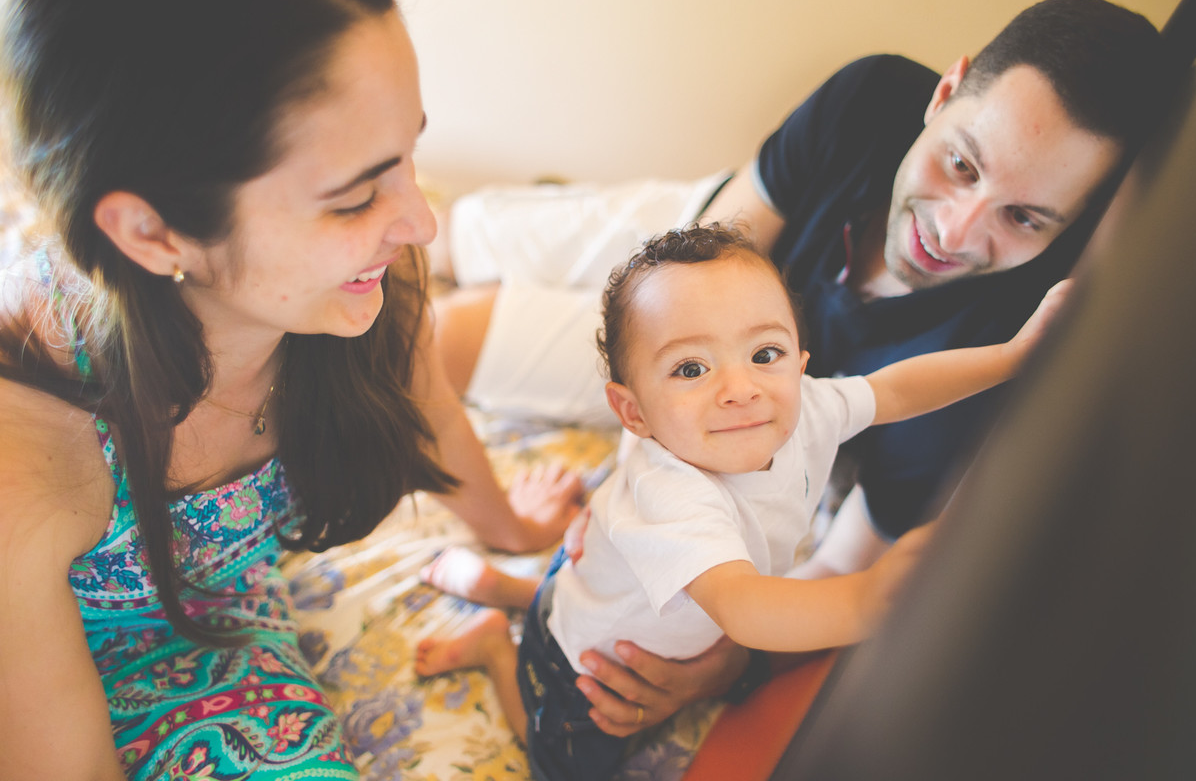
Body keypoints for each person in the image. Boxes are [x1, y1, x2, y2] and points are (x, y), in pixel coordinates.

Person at [426, 0, 1175, 735]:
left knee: (450, 331)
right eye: (960, 163)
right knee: (447, 264)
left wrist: (722, 666)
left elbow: (844, 566)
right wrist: (621, 489)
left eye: (1024, 217)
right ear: (943, 94)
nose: (953, 230)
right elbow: (699, 267)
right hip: (693, 275)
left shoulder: (976, 373)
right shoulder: (871, 97)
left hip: (721, 359)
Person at [0, 0, 582, 780]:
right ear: (152, 232)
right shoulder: (25, 446)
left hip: (215, 623)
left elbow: (430, 410)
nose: (421, 223)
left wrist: (513, 529)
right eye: (354, 198)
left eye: (410, 155)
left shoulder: (365, 292)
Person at [415, 223, 1070, 780]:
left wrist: (1013, 358)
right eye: (692, 369)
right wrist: (870, 599)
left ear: (799, 358)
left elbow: (894, 390)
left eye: (764, 352)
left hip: (606, 581)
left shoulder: (802, 403)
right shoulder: (673, 495)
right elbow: (745, 607)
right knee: (566, 766)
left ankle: (510, 590)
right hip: (588, 660)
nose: (740, 389)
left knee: (593, 583)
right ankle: (500, 648)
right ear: (632, 411)